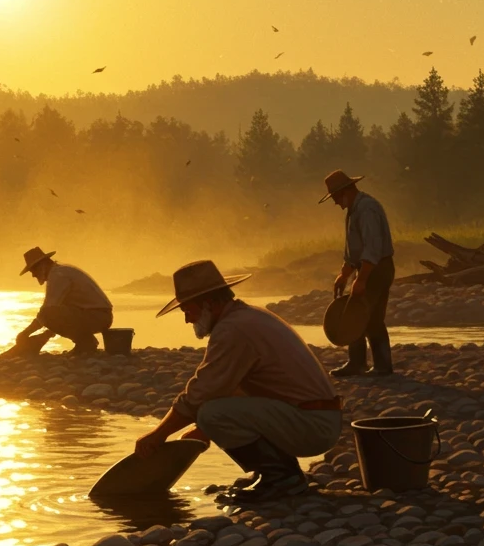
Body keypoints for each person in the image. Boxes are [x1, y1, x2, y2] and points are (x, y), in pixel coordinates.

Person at [134, 259, 342, 504]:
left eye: (187, 310)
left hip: (313, 426)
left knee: (211, 413)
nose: (187, 320)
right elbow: (232, 389)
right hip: (312, 418)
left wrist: (158, 434)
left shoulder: (233, 330)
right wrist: (202, 431)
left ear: (209, 303)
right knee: (209, 416)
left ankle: (282, 477)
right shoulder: (246, 316)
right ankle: (273, 472)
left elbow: (201, 392)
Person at [320, 169, 395, 377]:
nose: (335, 202)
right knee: (362, 314)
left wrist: (361, 279)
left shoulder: (367, 209)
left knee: (367, 316)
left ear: (345, 191)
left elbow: (372, 248)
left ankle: (378, 366)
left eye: (335, 197)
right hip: (370, 267)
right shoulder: (354, 210)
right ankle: (361, 363)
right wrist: (344, 275)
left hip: (377, 268)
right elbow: (353, 252)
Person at [14, 246, 113, 354]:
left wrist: (25, 333)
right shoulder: (60, 271)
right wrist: (48, 333)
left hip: (98, 316)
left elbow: (47, 312)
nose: (33, 275)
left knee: (48, 313)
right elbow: (61, 312)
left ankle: (85, 343)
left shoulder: (58, 275)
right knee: (54, 312)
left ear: (42, 265)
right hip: (98, 315)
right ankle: (86, 341)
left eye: (33, 270)